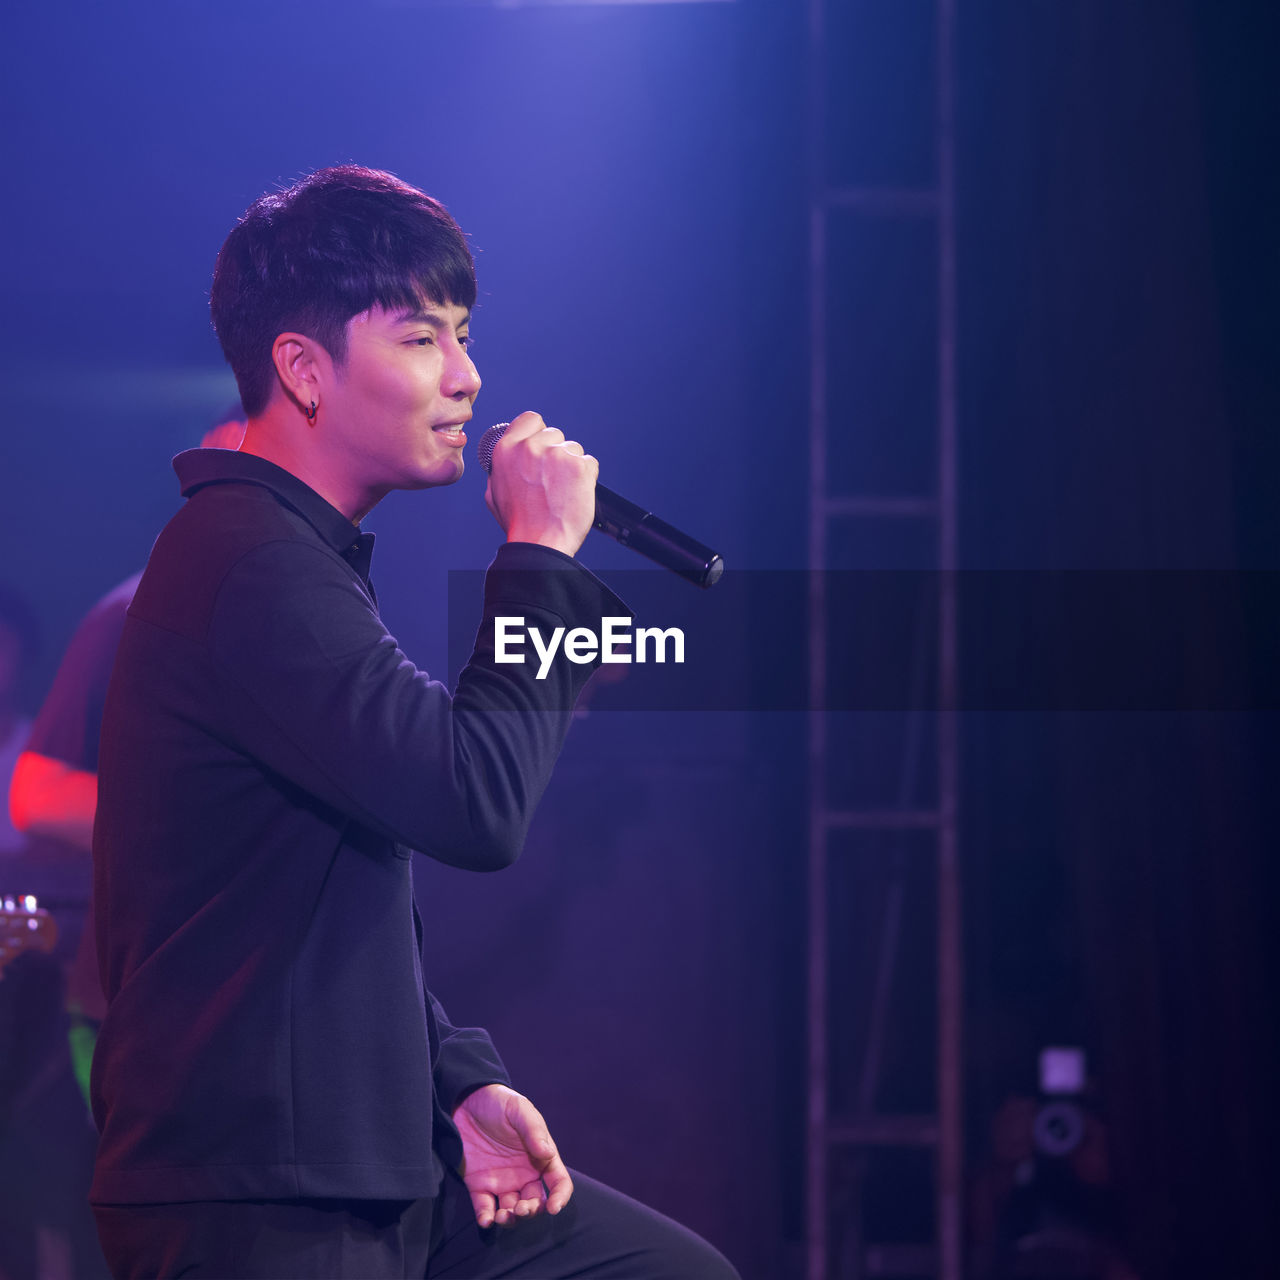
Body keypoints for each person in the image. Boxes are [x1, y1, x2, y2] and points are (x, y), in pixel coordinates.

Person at [88, 165, 739, 1280]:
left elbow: (317, 897)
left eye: (464, 335)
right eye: (423, 339)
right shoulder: (245, 558)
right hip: (258, 1193)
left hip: (362, 1162)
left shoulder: (291, 559)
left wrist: (454, 1078)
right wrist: (535, 555)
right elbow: (471, 801)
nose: (467, 377)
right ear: (301, 368)